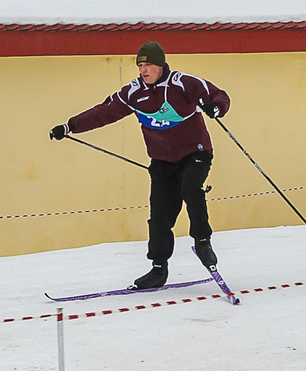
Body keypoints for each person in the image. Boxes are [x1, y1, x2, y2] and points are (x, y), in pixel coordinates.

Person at [51, 42, 232, 289]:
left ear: (161, 65)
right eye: (140, 65)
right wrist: (70, 126)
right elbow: (104, 111)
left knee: (191, 188)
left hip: (194, 153)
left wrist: (216, 108)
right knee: (159, 216)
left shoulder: (182, 84)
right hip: (161, 161)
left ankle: (202, 241)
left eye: (148, 65)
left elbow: (218, 95)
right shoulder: (133, 93)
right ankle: (158, 268)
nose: (143, 70)